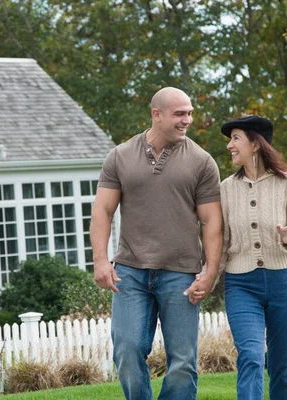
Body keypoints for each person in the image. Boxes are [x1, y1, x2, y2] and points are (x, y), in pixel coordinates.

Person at [90, 87, 223, 400]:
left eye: (190, 113)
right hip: (130, 273)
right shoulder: (120, 156)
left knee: (184, 361)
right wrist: (99, 259)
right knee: (127, 351)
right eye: (180, 114)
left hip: (181, 274)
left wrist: (211, 270)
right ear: (157, 114)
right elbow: (103, 211)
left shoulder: (201, 161)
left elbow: (212, 222)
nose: (187, 120)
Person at [194, 115, 287, 399]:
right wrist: (209, 276)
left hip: (286, 281)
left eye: (235, 138)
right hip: (242, 285)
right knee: (251, 356)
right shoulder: (226, 189)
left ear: (255, 144)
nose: (230, 146)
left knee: (284, 362)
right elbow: (222, 241)